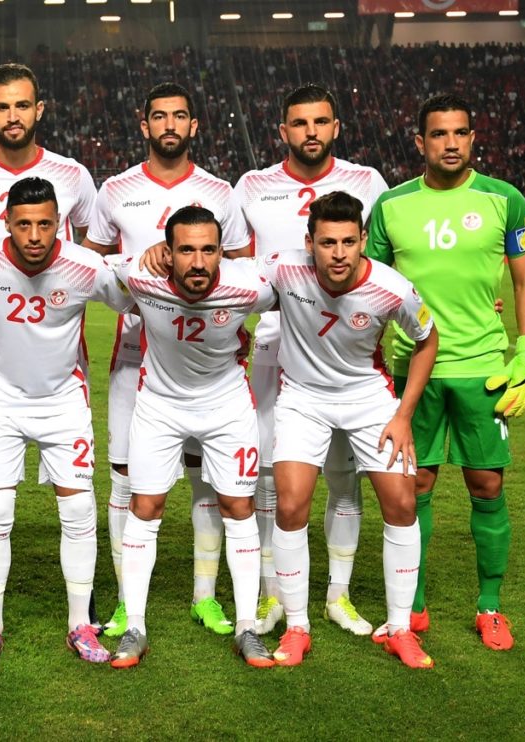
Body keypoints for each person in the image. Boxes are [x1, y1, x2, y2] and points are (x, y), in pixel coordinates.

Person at [367, 94, 525, 650]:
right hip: (411, 370)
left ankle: (489, 606)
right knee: (413, 487)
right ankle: (411, 606)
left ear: (472, 138)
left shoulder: (503, 200)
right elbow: (371, 288)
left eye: (460, 133)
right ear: (419, 142)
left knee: (486, 485)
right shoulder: (391, 206)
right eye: (438, 134)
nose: (450, 143)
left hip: (483, 370)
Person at [0, 177, 132, 668]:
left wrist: (146, 262)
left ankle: (79, 626)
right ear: (6, 222)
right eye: (23, 224)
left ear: (59, 225)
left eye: (45, 224)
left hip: (64, 402)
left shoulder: (86, 267)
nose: (34, 235)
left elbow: (130, 296)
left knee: (79, 512)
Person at [83, 82, 251, 639]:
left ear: (194, 125)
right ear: (144, 123)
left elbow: (242, 269)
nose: (170, 126)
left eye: (180, 116)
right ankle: (130, 604)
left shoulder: (221, 193)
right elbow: (99, 267)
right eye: (160, 117)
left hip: (203, 360)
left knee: (208, 483)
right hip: (135, 358)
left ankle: (205, 594)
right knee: (127, 480)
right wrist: (144, 258)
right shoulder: (114, 190)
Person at [0, 63, 98, 636]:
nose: (13, 116)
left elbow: (94, 244)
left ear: (40, 110)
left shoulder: (73, 174)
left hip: (59, 353)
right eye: (2, 107)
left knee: (74, 497)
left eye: (22, 105)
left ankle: (79, 606)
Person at [233, 84, 390, 636]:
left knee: (344, 480)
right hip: (278, 349)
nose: (311, 132)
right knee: (273, 480)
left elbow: (388, 267)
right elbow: (234, 267)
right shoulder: (251, 187)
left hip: (348, 355)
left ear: (336, 127)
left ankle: (338, 596)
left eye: (320, 122)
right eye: (299, 123)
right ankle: (276, 595)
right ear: (283, 131)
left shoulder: (368, 183)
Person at [259, 191, 438, 669]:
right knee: (292, 504)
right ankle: (298, 626)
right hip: (302, 398)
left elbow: (427, 337)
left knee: (401, 503)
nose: (338, 253)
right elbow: (227, 280)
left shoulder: (392, 288)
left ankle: (399, 628)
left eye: (347, 241)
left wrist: (403, 414)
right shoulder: (283, 268)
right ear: (309, 243)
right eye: (326, 242)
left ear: (362, 240)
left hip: (368, 398)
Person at [108, 205, 276, 669]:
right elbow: (96, 268)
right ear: (168, 251)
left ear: (222, 251)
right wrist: (137, 258)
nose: (198, 262)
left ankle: (247, 628)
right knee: (145, 507)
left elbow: (301, 290)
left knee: (239, 508)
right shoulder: (142, 279)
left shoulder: (248, 287)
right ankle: (135, 626)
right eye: (186, 250)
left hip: (227, 409)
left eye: (208, 250)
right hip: (159, 408)